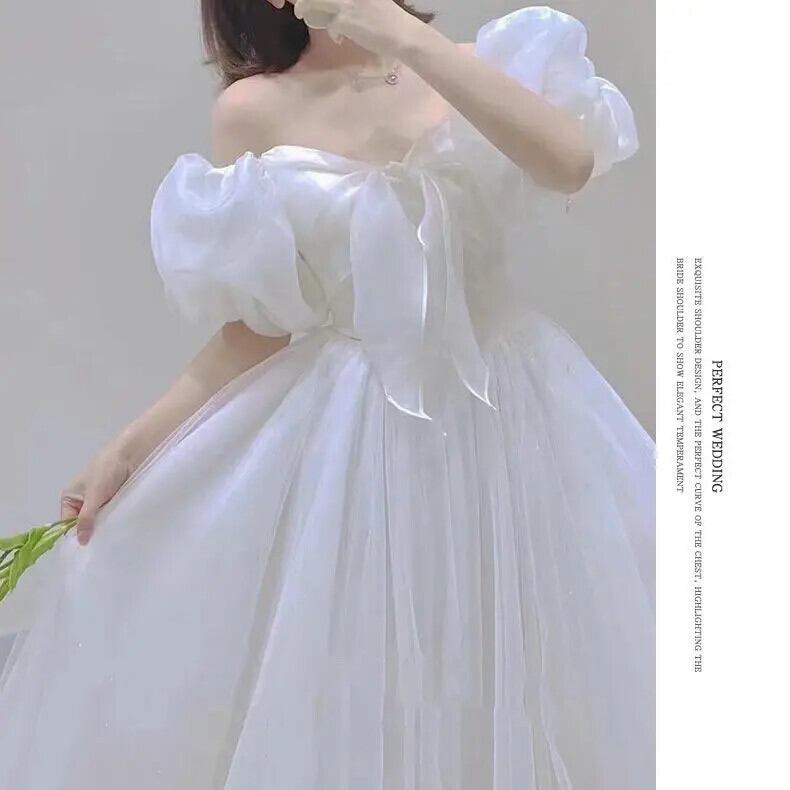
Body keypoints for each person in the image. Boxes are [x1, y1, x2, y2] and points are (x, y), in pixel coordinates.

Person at [0, 2, 655, 788]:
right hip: (351, 446)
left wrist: (401, 35)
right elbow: (262, 324)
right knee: (361, 672)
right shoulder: (254, 110)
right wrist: (134, 446)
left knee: (522, 654)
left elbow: (569, 162)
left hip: (513, 416)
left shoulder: (477, 63)